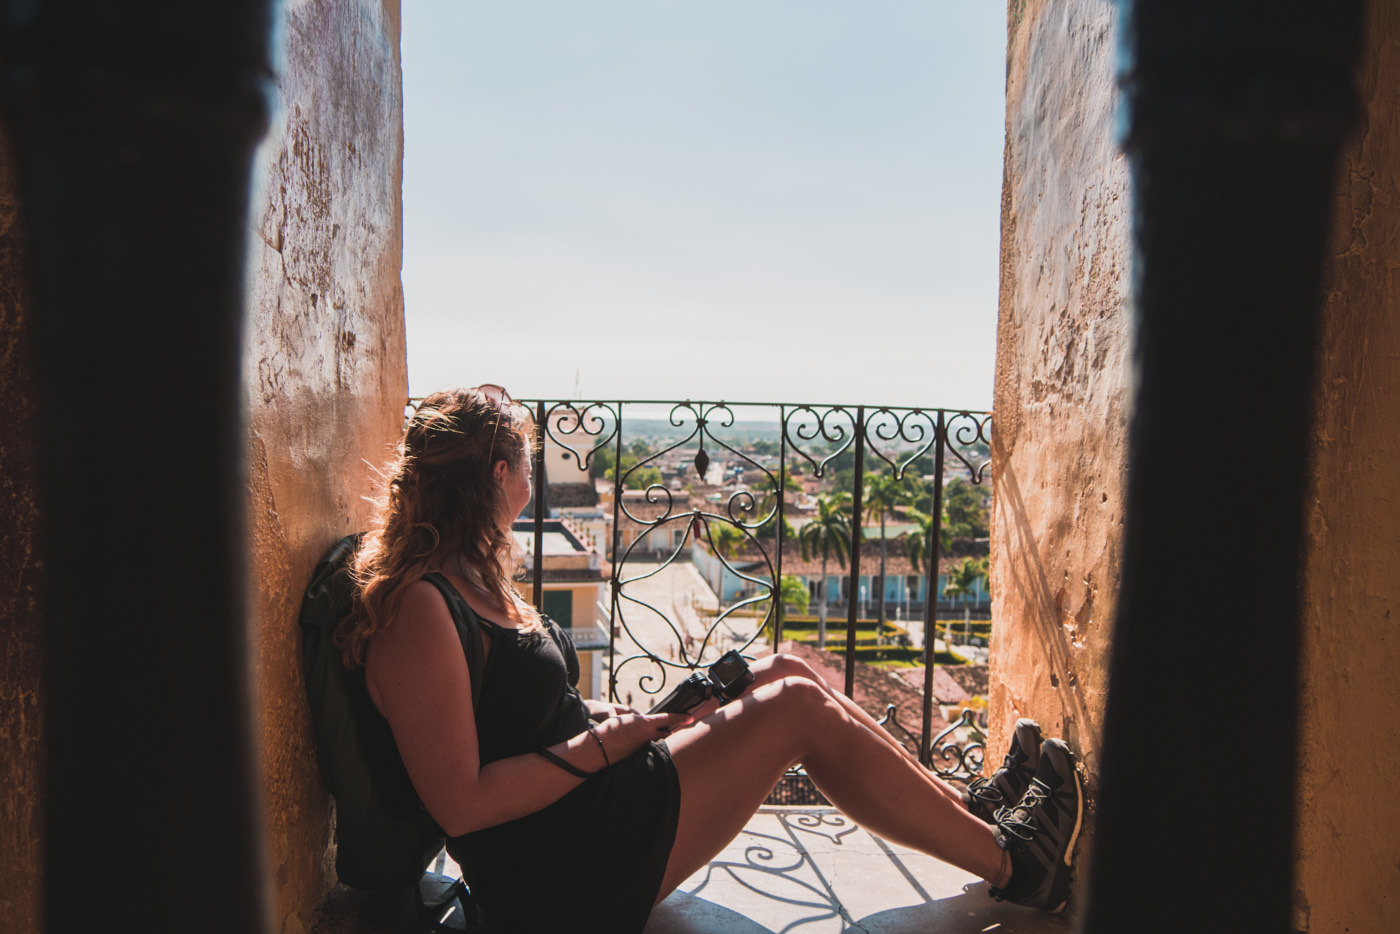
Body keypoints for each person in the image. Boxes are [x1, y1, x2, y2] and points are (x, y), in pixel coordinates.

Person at [339, 386, 1082, 933]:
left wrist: (615, 719)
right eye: (526, 463)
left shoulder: (469, 576)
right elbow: (461, 801)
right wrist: (603, 744)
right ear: (499, 476)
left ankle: (971, 815)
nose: (534, 478)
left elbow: (514, 714)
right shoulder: (422, 609)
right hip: (558, 870)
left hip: (587, 802)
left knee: (784, 671)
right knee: (793, 712)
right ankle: (1021, 868)